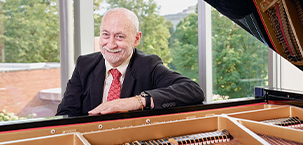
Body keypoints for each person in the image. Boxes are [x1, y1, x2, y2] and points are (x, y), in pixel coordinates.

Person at [56, 8, 204, 117]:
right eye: (106, 35)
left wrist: (137, 102)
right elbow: (65, 114)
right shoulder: (84, 65)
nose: (111, 44)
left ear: (136, 39)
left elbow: (193, 90)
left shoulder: (148, 66)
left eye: (119, 37)